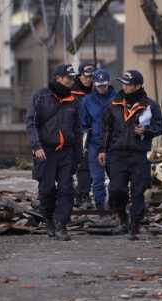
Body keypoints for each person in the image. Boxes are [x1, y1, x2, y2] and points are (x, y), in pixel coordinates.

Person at [98, 70, 162, 240]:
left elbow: (160, 126)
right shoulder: (114, 104)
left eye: (128, 84)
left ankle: (135, 226)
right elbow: (106, 129)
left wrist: (147, 131)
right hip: (116, 155)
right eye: (123, 83)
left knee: (138, 192)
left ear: (138, 86)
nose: (124, 86)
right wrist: (102, 150)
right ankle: (123, 219)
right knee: (116, 190)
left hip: (138, 155)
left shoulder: (150, 105)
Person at [26, 64, 82, 241]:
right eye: (69, 78)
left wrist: (78, 155)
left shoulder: (74, 101)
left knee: (67, 189)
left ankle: (61, 225)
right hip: (45, 151)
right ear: (58, 78)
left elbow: (78, 130)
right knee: (47, 190)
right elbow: (31, 123)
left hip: (67, 152)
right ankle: (48, 219)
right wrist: (36, 146)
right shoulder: (41, 96)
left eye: (73, 78)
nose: (72, 81)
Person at [79, 69, 116, 211]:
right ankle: (101, 208)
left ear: (109, 83)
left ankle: (114, 206)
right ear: (94, 84)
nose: (102, 88)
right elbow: (83, 123)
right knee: (97, 179)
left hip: (113, 144)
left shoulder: (118, 99)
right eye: (99, 85)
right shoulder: (87, 101)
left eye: (104, 85)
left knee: (116, 178)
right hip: (94, 144)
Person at [72, 63, 96, 208]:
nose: (89, 80)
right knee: (68, 167)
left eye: (91, 77)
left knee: (86, 165)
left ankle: (84, 194)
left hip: (90, 133)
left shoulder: (96, 91)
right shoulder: (70, 92)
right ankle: (71, 194)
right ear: (80, 75)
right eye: (86, 77)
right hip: (72, 133)